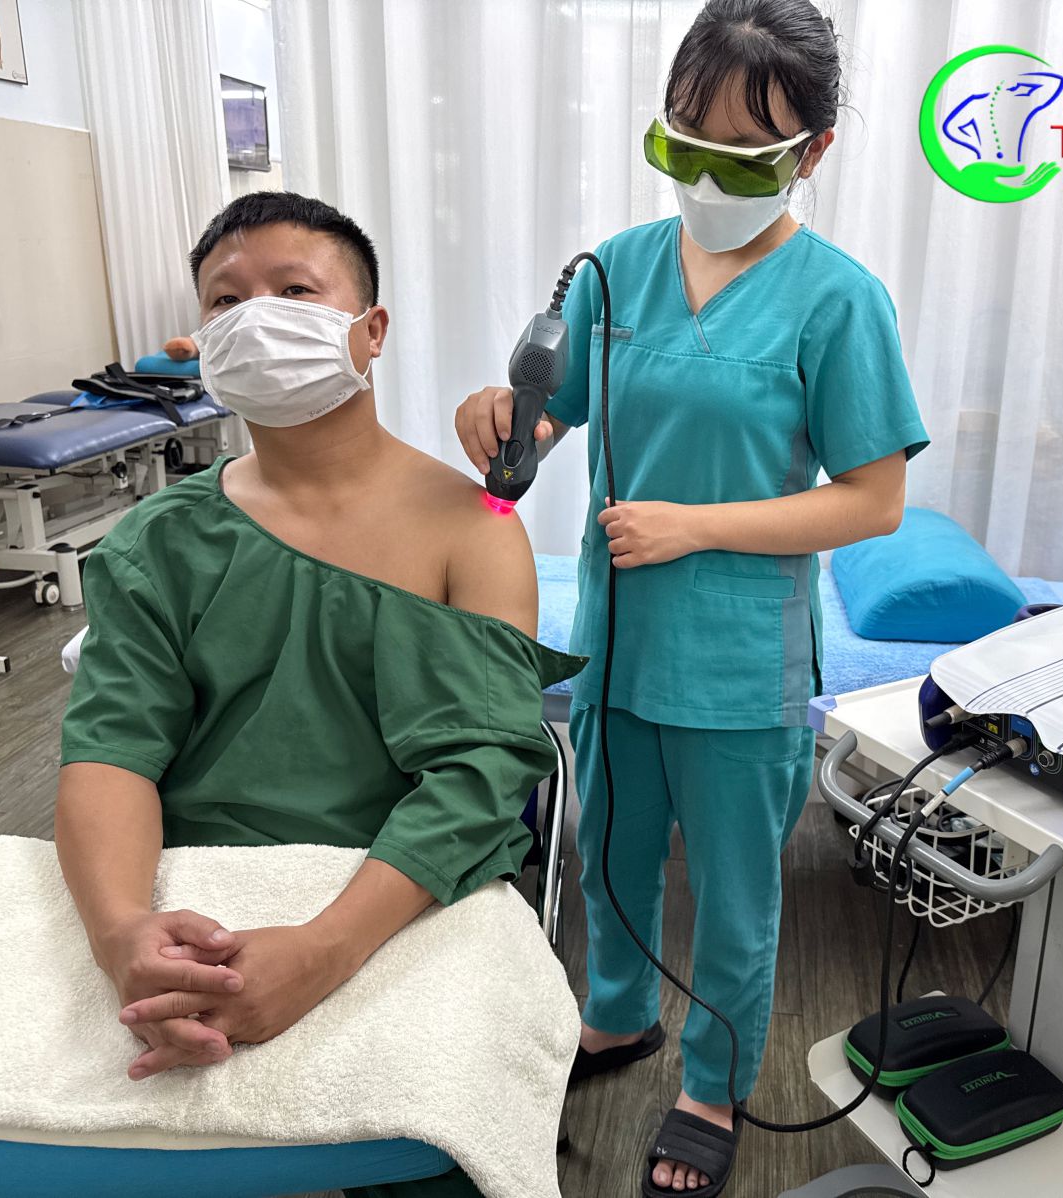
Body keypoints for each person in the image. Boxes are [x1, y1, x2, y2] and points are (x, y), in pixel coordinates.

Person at [455, 2, 927, 1193]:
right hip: (616, 640)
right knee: (610, 857)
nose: (707, 179)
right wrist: (505, 418)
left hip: (737, 658)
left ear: (812, 153)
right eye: (683, 144)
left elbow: (873, 501)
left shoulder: (839, 299)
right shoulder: (612, 270)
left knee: (731, 896)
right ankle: (617, 1016)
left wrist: (696, 526)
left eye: (745, 157)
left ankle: (711, 1085)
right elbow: (556, 416)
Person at [56, 192, 581, 1198]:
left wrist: (325, 950)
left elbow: (479, 776)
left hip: (404, 893)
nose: (255, 317)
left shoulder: (470, 527)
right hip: (195, 891)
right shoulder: (159, 541)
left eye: (294, 290)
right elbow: (110, 753)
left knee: (441, 1144)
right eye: (225, 302)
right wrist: (123, 932)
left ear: (370, 330)